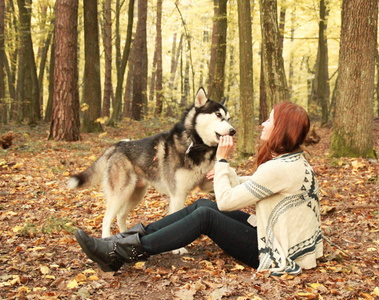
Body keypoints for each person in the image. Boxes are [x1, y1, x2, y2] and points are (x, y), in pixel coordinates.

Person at [75, 101, 323, 275]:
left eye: (269, 120)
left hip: (274, 251)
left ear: (281, 129)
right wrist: (228, 173)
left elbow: (226, 202)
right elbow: (257, 185)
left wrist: (222, 160)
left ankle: (119, 253)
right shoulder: (292, 161)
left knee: (207, 216)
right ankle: (122, 241)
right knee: (204, 204)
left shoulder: (278, 168)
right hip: (279, 238)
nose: (263, 123)